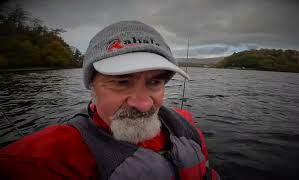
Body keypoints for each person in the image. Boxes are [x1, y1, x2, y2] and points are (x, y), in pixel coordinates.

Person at [0, 21, 220, 180]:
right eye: (122, 82)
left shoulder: (185, 125)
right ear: (91, 86)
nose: (144, 104)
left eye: (154, 83)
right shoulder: (48, 158)